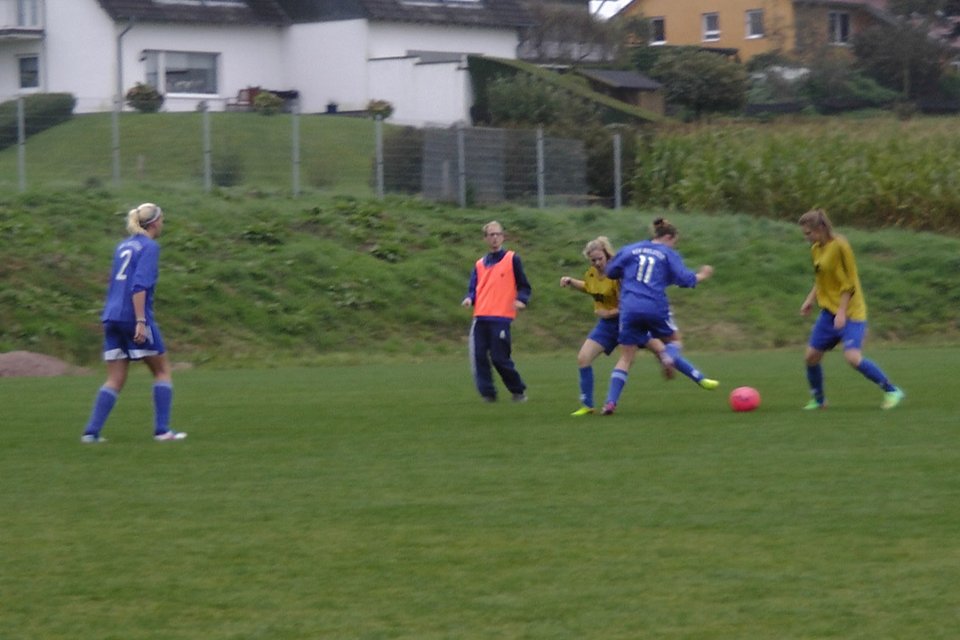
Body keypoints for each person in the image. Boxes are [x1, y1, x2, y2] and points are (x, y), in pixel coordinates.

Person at [80, 203, 186, 443]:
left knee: (115, 379)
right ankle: (162, 431)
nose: (162, 224)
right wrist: (140, 320)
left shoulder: (122, 246)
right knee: (161, 370)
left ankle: (91, 433)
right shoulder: (150, 247)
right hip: (133, 315)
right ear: (154, 222)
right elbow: (140, 285)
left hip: (111, 316)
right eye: (162, 220)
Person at [600, 218, 715, 415]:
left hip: (628, 308)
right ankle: (667, 358)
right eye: (675, 241)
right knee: (675, 340)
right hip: (654, 305)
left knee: (626, 357)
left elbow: (610, 271)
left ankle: (610, 402)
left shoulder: (630, 249)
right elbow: (685, 279)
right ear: (668, 237)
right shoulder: (668, 253)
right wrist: (703, 275)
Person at [561, 236, 680, 416]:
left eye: (599, 259)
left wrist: (609, 312)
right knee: (583, 358)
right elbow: (589, 287)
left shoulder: (620, 273)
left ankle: (695, 376)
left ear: (607, 255)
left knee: (657, 349)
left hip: (628, 320)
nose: (596, 263)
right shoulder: (592, 273)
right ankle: (587, 405)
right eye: (592, 260)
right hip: (607, 326)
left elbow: (630, 301)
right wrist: (571, 282)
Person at [798, 208, 904, 410]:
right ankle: (819, 401)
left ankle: (892, 391)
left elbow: (849, 283)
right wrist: (809, 300)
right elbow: (820, 279)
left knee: (852, 357)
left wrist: (842, 311)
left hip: (852, 312)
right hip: (829, 312)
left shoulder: (840, 246)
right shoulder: (816, 249)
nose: (806, 238)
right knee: (811, 357)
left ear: (820, 228)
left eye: (808, 233)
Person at [462, 220, 531, 402]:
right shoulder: (479, 264)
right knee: (479, 357)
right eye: (491, 235)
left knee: (500, 358)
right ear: (485, 238)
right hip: (481, 317)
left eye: (497, 234)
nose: (494, 238)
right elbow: (474, 288)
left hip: (501, 317)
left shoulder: (511, 259)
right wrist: (470, 298)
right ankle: (488, 394)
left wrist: (521, 300)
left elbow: (524, 285)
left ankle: (518, 390)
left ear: (503, 237)